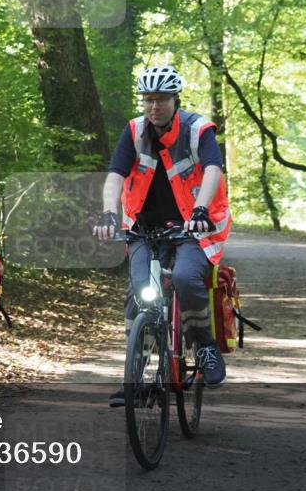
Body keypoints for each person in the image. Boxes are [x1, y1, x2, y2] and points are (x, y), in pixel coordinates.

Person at [94, 65, 231, 406]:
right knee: (138, 293)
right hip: (145, 228)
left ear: (175, 100)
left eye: (161, 99)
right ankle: (135, 377)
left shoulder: (197, 129)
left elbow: (213, 168)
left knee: (185, 277)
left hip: (194, 226)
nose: (154, 106)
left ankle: (204, 346)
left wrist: (200, 209)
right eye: (148, 99)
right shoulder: (135, 130)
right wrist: (109, 213)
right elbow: (115, 176)